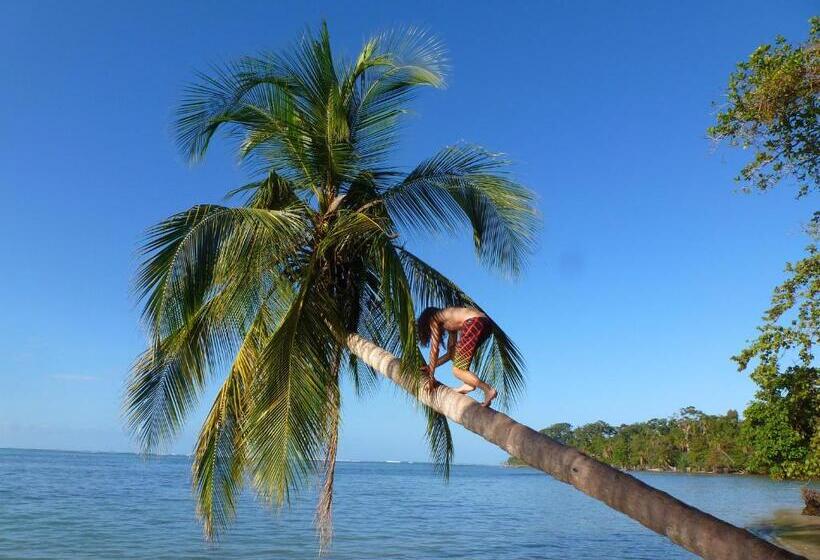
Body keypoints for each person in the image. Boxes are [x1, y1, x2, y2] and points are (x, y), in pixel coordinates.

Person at [417, 306, 498, 408]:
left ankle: (488, 390)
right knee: (456, 357)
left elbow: (434, 350)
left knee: (457, 370)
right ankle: (469, 385)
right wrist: (429, 367)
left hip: (474, 322)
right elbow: (450, 354)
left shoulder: (434, 318)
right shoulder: (450, 322)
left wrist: (431, 378)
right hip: (485, 323)